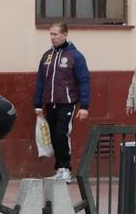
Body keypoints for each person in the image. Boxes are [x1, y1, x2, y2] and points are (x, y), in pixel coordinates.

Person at [33, 22, 90, 182]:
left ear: (65, 34)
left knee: (61, 134)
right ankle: (59, 169)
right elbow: (40, 81)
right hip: (51, 103)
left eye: (55, 34)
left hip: (67, 102)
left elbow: (84, 80)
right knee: (53, 135)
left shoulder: (75, 56)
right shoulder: (47, 56)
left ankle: (66, 169)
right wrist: (37, 104)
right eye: (50, 34)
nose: (52, 37)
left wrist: (84, 106)